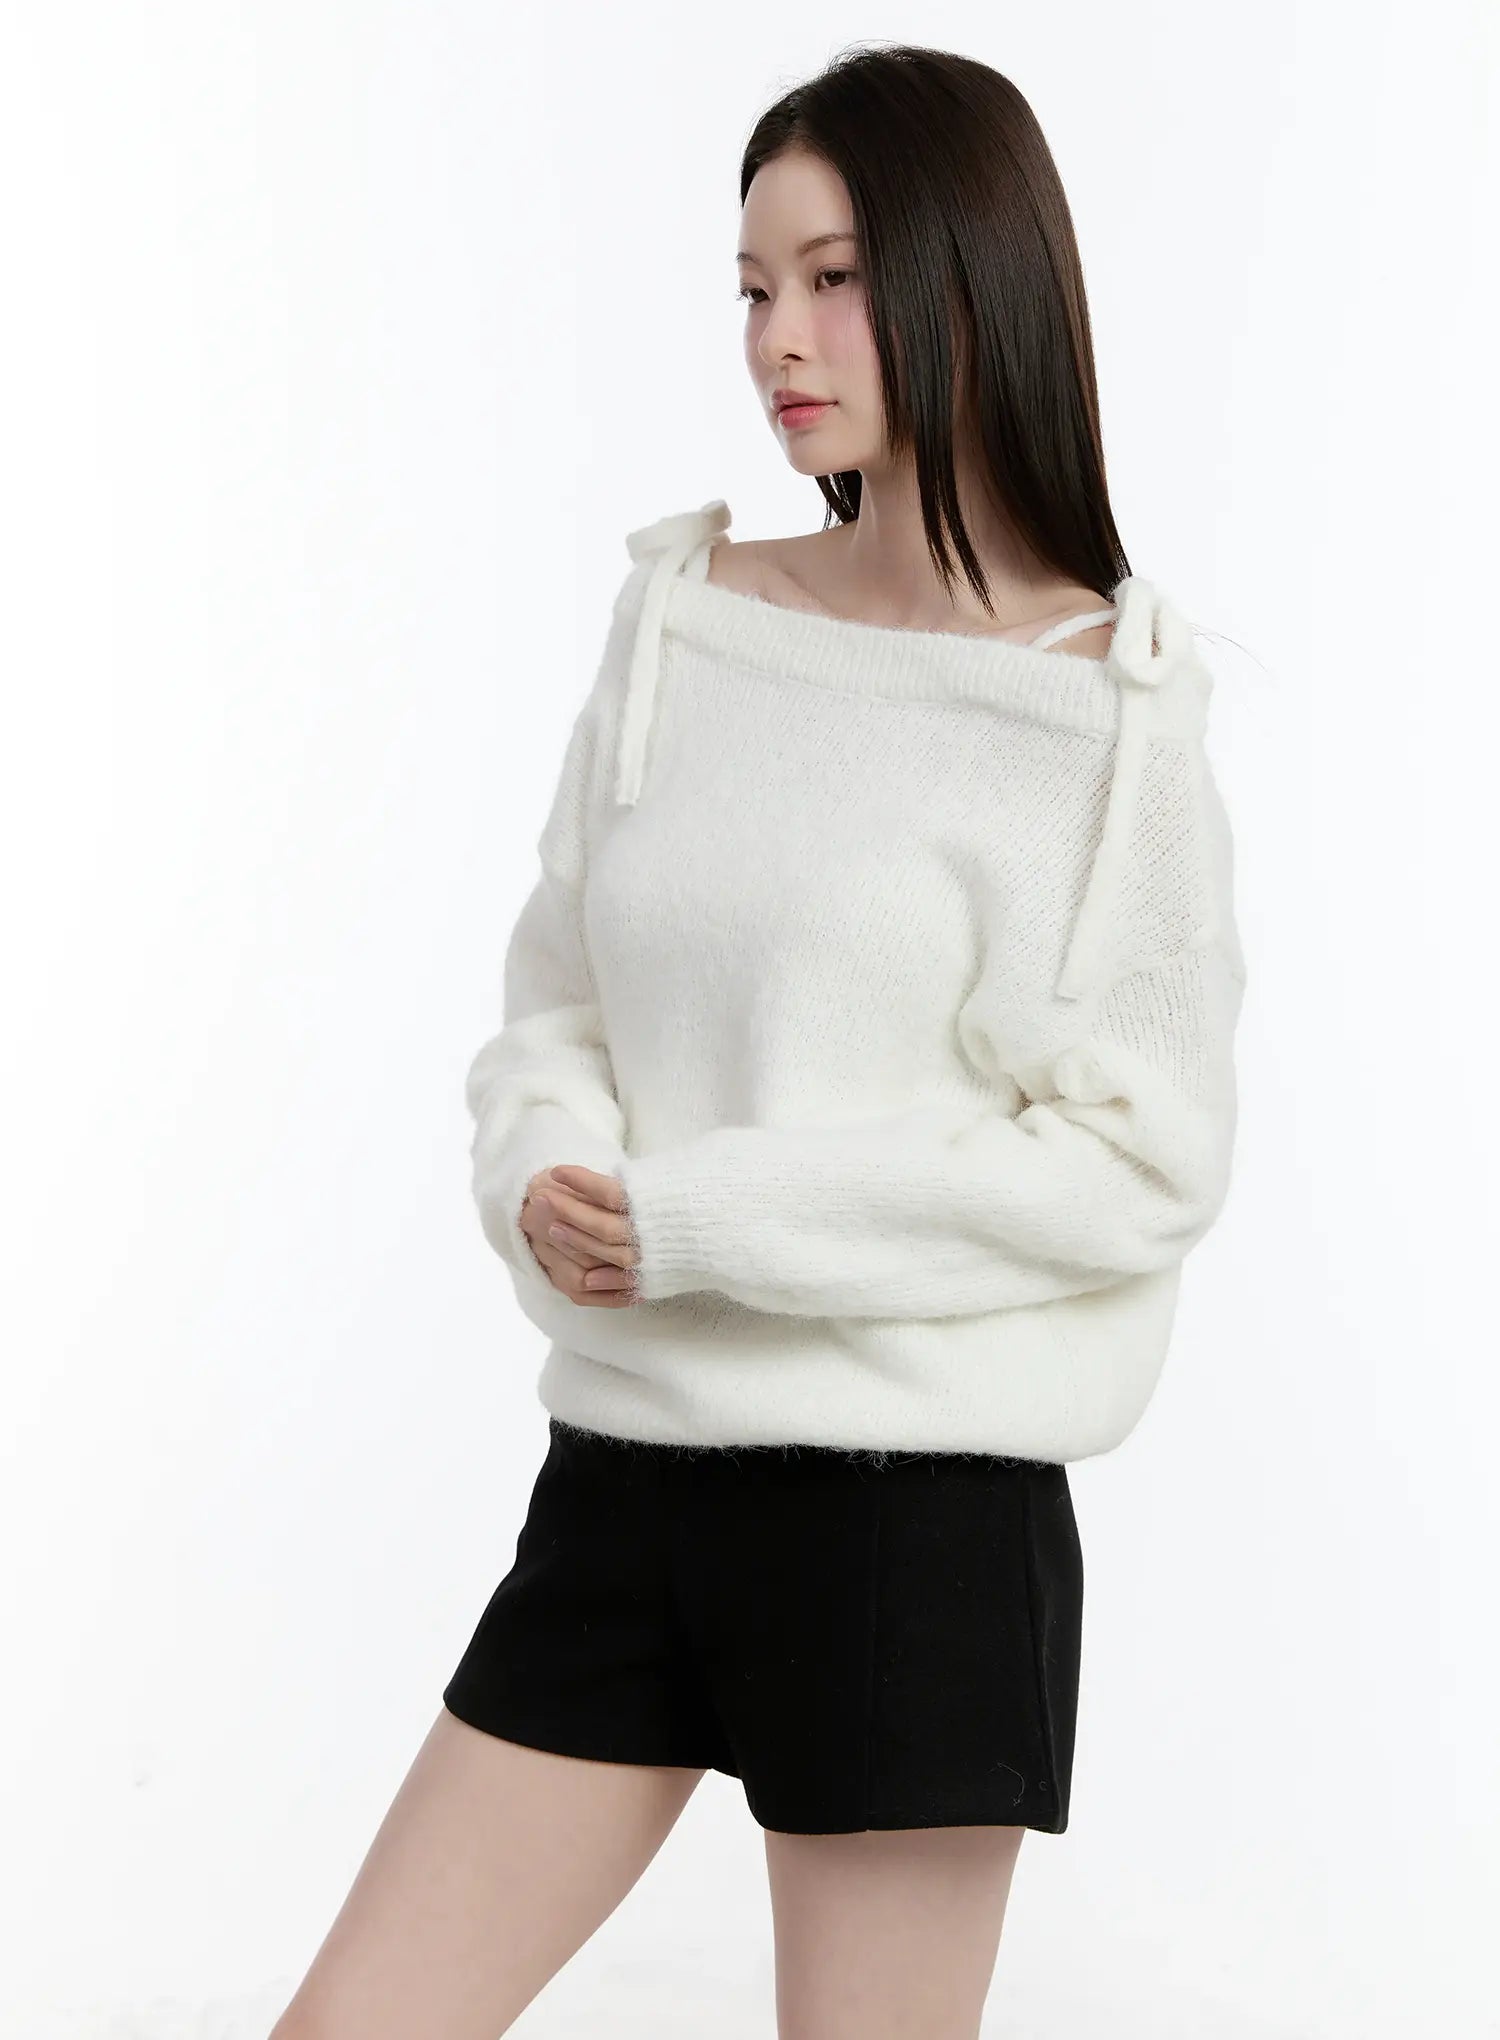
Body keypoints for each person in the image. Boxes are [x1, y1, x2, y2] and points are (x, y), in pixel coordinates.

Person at [271, 40, 1247, 2040]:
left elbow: (1142, 1160)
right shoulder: (684, 616)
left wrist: (701, 1222)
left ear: (971, 275)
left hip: (918, 1513)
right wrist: (546, 1181)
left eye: (834, 277)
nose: (778, 339)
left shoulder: (1106, 713)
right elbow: (561, 992)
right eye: (751, 286)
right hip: (627, 1474)